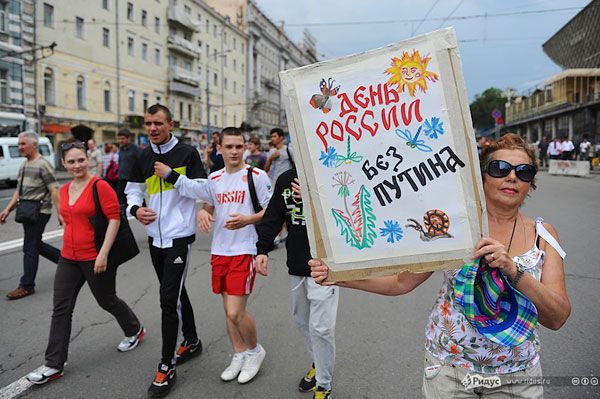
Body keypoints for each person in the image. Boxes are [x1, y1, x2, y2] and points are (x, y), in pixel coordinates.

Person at [311, 133, 571, 398]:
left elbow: (557, 316)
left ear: (531, 183)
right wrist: (339, 275)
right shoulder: (455, 226)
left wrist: (514, 271)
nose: (512, 177)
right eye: (500, 168)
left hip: (518, 376)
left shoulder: (544, 235)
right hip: (450, 372)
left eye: (524, 171)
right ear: (483, 176)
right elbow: (401, 282)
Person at [154, 127, 272, 385]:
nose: (233, 151)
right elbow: (199, 194)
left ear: (245, 148)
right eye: (228, 146)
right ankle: (238, 354)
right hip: (220, 251)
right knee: (226, 310)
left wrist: (247, 220)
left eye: (238, 146)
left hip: (244, 250)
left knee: (234, 312)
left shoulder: (257, 176)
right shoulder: (215, 178)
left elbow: (272, 211)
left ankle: (254, 351)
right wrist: (203, 212)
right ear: (220, 149)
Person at [25, 141, 144, 385]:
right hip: (69, 257)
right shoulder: (66, 189)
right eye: (72, 161)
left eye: (81, 159)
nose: (77, 165)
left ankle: (135, 329)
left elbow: (114, 220)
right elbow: (67, 220)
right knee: (61, 309)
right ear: (64, 164)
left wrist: (103, 254)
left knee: (106, 300)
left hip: (94, 257)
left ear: (88, 159)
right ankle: (54, 364)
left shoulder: (100, 186)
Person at [126, 104, 205, 397]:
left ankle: (166, 365)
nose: (152, 128)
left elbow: (203, 190)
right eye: (148, 123)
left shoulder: (187, 154)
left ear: (171, 124)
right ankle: (193, 340)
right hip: (154, 239)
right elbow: (132, 190)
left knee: (167, 300)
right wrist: (136, 209)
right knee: (175, 292)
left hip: (179, 237)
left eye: (158, 123)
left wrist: (173, 176)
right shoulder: (142, 156)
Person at [255, 169, 339, 399]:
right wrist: (262, 249)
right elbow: (273, 215)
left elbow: (350, 212)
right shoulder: (286, 178)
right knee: (301, 320)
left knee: (321, 328)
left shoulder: (331, 173)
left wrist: (314, 199)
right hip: (297, 263)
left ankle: (323, 384)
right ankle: (320, 362)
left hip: (326, 267)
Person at [1, 131, 61, 300]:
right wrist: (7, 209)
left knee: (30, 247)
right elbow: (18, 192)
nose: (19, 147)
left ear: (34, 145)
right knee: (35, 244)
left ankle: (26, 285)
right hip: (27, 210)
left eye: (22, 144)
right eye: (19, 144)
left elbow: (54, 190)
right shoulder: (24, 165)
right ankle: (68, 262)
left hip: (40, 211)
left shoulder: (43, 164)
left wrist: (61, 214)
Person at [117, 129, 140, 207]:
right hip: (121, 180)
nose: (120, 141)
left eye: (122, 138)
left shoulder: (136, 149)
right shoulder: (121, 150)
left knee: (132, 202)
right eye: (119, 139)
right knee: (121, 202)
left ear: (129, 138)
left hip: (132, 181)